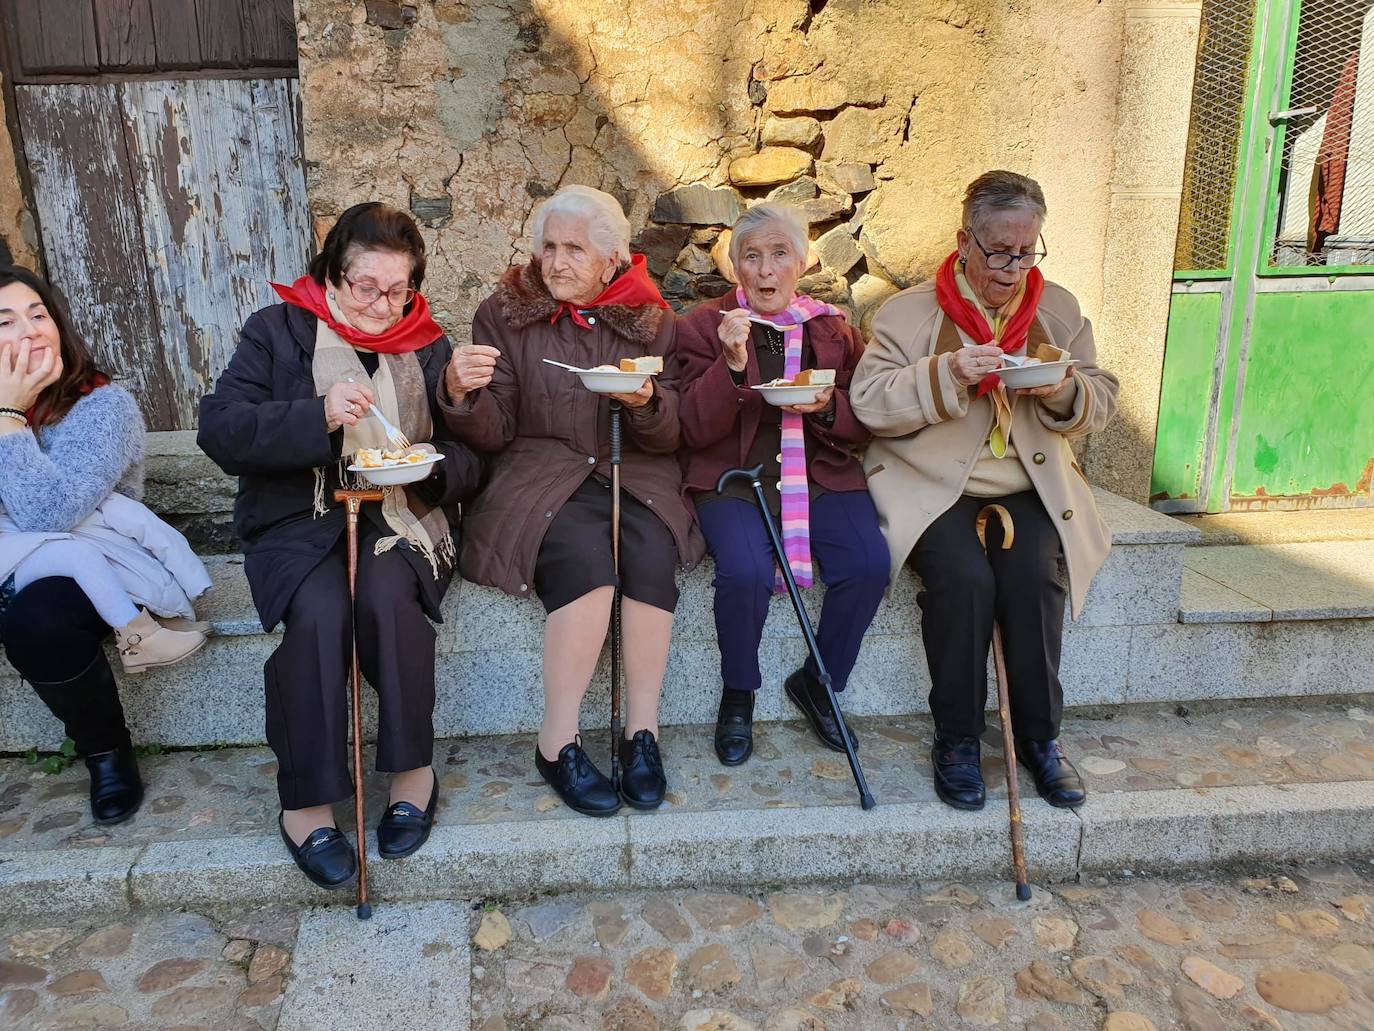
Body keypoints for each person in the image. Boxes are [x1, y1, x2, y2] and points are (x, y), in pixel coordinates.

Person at [199, 203, 482, 889]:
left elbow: (470, 458)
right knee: (320, 612)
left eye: (399, 290)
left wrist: (434, 463)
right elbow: (222, 430)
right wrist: (317, 416)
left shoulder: (428, 343)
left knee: (388, 600)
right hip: (299, 518)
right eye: (367, 288)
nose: (385, 305)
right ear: (334, 272)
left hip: (398, 518)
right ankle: (306, 800)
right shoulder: (278, 331)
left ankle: (414, 770)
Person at [850, 171, 1119, 812]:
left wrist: (1059, 389)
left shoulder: (1058, 308)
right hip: (933, 485)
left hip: (1028, 481)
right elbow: (869, 402)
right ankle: (959, 741)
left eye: (1027, 251)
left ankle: (1039, 739)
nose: (1012, 267)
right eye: (999, 250)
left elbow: (1101, 398)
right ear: (964, 240)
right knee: (964, 583)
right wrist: (944, 373)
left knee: (1033, 577)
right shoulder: (910, 311)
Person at [441, 185, 702, 817]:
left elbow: (672, 434)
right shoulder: (504, 313)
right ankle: (557, 742)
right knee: (585, 562)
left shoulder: (652, 320)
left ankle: (643, 734)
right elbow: (497, 427)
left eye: (574, 250)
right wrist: (461, 393)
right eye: (549, 247)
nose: (556, 262)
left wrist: (647, 405)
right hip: (539, 471)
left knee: (648, 555)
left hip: (631, 469)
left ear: (612, 259)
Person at [676, 204, 888, 766]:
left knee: (868, 563)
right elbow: (691, 427)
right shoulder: (703, 326)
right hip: (733, 477)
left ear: (800, 263)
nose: (766, 271)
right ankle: (738, 694)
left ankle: (820, 681)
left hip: (819, 471)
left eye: (778, 255)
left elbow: (864, 415)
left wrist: (826, 409)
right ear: (735, 269)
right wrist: (730, 362)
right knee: (743, 569)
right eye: (752, 257)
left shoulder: (832, 328)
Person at [0, 265, 202, 825]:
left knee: (37, 619)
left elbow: (52, 513)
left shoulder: (102, 408)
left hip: (93, 567)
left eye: (39, 314)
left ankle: (106, 751)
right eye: (7, 321)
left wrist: (10, 415)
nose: (31, 329)